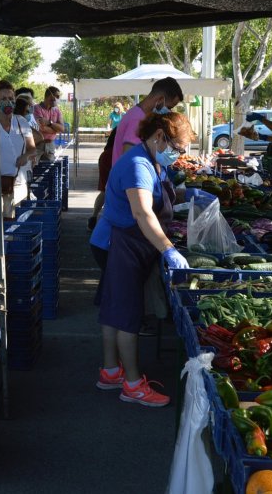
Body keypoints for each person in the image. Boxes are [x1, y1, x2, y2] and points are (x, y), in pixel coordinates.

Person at [90, 111, 194, 407]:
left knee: (114, 307)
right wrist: (168, 249)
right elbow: (142, 213)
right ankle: (133, 385)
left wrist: (190, 195)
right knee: (126, 315)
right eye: (177, 148)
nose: (177, 154)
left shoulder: (150, 159)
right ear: (160, 137)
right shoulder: (138, 164)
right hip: (120, 243)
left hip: (126, 242)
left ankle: (111, 371)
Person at [0, 81, 36, 228]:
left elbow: (32, 148)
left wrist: (25, 156)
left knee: (10, 221)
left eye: (11, 98)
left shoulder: (21, 121)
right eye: (3, 99)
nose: (8, 102)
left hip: (15, 180)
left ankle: (7, 250)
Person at [112, 77, 184, 157]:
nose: (169, 112)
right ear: (160, 99)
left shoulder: (139, 114)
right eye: (169, 107)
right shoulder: (137, 119)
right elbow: (130, 158)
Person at [33, 86, 66, 160]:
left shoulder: (56, 110)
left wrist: (49, 123)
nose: (58, 99)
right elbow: (41, 127)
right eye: (57, 96)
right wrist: (55, 130)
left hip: (50, 145)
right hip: (37, 145)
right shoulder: (36, 108)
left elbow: (62, 129)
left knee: (49, 169)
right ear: (50, 96)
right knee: (34, 168)